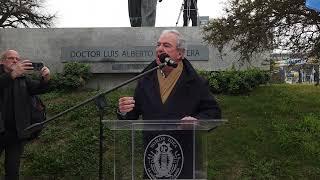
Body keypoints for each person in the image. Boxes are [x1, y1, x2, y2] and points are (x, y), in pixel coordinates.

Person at [118, 29, 221, 122]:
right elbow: (133, 114)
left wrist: (197, 120)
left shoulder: (196, 82)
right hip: (152, 142)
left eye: (166, 45)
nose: (160, 49)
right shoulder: (145, 79)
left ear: (180, 53)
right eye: (158, 45)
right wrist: (124, 111)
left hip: (183, 141)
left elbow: (213, 111)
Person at [0, 50, 51, 179]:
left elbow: (37, 89)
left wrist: (45, 79)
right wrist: (11, 75)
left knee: (12, 170)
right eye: (11, 58)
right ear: (2, 61)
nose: (15, 61)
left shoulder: (22, 78)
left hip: (16, 133)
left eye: (17, 59)